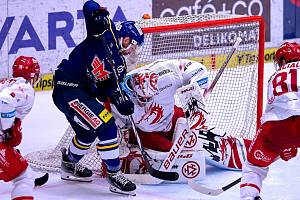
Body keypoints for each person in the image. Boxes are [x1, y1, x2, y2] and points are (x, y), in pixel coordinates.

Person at [52, 0, 144, 195]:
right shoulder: (106, 32)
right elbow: (89, 5)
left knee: (87, 133)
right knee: (107, 125)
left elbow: (107, 91)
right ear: (126, 38)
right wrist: (98, 15)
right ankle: (114, 174)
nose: (132, 50)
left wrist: (121, 101)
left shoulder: (119, 65)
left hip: (81, 93)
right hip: (67, 88)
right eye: (133, 45)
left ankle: (69, 163)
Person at [112, 58, 251, 172]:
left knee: (200, 136)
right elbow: (112, 121)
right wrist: (121, 140)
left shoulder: (166, 74)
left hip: (171, 117)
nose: (146, 102)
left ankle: (249, 148)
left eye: (150, 98)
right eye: (143, 99)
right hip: (146, 132)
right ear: (134, 91)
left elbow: (197, 69)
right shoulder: (119, 95)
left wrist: (196, 95)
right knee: (173, 154)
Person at [240, 42, 300, 200]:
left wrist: (285, 144)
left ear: (282, 60)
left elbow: (278, 113)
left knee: (253, 167)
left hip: (275, 127)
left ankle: (249, 197)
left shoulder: (273, 78)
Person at [0, 56, 40, 200]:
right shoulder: (26, 88)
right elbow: (4, 101)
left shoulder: (4, 82)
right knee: (24, 178)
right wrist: (8, 127)